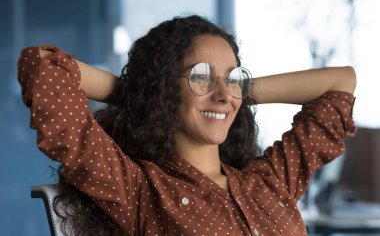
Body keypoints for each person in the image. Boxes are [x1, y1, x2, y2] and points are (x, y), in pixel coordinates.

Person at [18, 15, 356, 236]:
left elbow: (341, 82)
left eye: (232, 78)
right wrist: (143, 92)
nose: (223, 94)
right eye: (200, 77)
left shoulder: (270, 181)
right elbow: (44, 65)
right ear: (165, 89)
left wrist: (238, 92)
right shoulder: (138, 190)